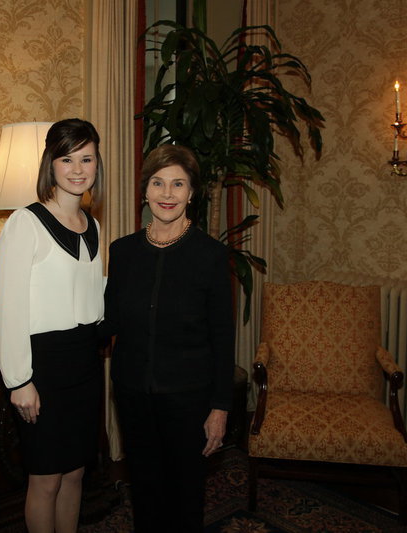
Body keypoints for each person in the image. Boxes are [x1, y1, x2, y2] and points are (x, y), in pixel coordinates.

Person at [102, 144, 234, 533]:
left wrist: (220, 407)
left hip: (190, 398)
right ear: (145, 191)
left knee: (185, 494)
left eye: (178, 184)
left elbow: (223, 336)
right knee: (143, 491)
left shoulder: (210, 256)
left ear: (192, 193)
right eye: (158, 183)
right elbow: (108, 322)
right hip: (131, 394)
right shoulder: (122, 252)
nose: (167, 194)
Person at [0, 118, 105, 533]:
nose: (78, 168)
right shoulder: (26, 222)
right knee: (45, 478)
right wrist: (19, 380)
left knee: (75, 472)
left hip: (85, 365)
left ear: (97, 164)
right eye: (67, 158)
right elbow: (8, 307)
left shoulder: (92, 225)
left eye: (87, 158)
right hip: (43, 369)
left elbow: (93, 297)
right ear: (51, 165)